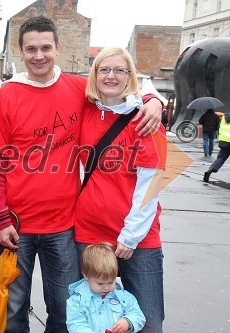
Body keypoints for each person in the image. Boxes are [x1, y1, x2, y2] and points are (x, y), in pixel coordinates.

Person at [0, 17, 162, 333]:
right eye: (31, 49)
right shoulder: (7, 95)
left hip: (64, 225)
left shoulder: (78, 89)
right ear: (21, 51)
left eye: (46, 48)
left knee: (68, 312)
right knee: (12, 311)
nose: (39, 55)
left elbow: (121, 89)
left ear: (58, 48)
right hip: (16, 224)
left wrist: (154, 100)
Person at [73, 47, 167, 333]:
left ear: (131, 76)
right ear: (94, 74)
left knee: (148, 322)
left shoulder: (146, 120)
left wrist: (130, 236)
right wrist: (155, 98)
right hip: (89, 233)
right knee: (92, 321)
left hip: (138, 239)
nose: (111, 76)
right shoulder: (84, 110)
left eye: (119, 70)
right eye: (104, 69)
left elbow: (152, 185)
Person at [67, 243, 146, 333]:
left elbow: (138, 315)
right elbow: (76, 325)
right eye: (100, 284)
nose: (106, 288)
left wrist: (127, 321)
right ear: (86, 276)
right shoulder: (76, 301)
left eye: (111, 282)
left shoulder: (124, 297)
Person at [204, 112, 230, 182]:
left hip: (224, 141)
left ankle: (210, 170)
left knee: (221, 158)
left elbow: (219, 127)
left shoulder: (225, 117)